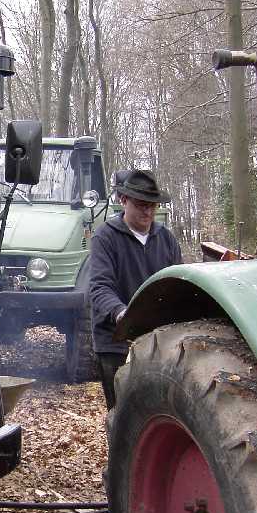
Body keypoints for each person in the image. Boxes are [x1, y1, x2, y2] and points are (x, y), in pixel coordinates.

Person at [89, 169, 181, 408]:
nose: (148, 211)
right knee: (122, 414)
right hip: (115, 342)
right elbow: (99, 287)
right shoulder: (105, 237)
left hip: (158, 341)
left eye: (152, 205)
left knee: (156, 412)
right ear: (123, 200)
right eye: (141, 205)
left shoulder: (167, 239)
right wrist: (123, 313)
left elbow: (178, 284)